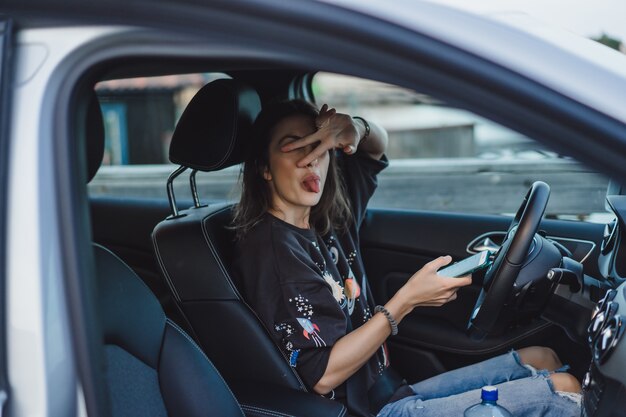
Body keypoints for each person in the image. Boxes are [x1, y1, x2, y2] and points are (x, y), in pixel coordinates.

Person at [231, 99, 581, 417]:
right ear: (264, 168)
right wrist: (406, 301)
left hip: (392, 392)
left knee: (542, 358)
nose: (311, 159)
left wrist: (354, 127)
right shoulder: (274, 255)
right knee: (562, 393)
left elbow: (374, 149)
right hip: (364, 412)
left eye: (318, 146)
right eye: (293, 146)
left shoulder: (328, 217)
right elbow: (321, 377)